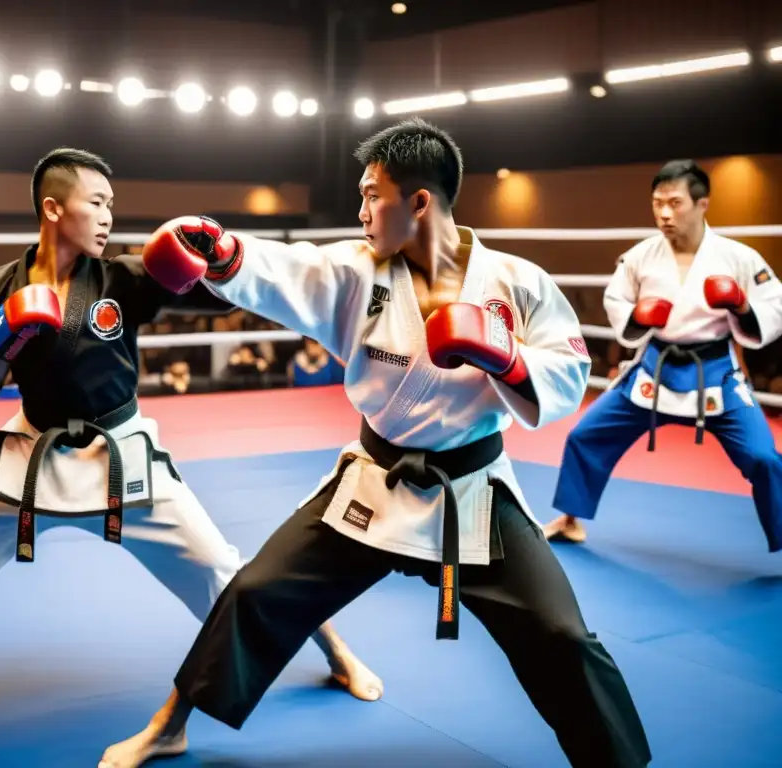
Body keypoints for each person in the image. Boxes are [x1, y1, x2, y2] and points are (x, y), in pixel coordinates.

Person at [99, 118, 652, 768]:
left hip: (469, 493)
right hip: (374, 481)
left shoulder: (516, 282)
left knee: (561, 634)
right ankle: (171, 724)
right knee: (254, 594)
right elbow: (285, 271)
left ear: (419, 201)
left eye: (371, 195)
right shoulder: (354, 270)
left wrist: (506, 358)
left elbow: (567, 372)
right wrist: (225, 255)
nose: (360, 212)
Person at [0, 148, 381, 714]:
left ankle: (336, 650)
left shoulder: (124, 276)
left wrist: (214, 258)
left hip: (119, 454)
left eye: (111, 205)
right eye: (96, 202)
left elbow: (214, 305)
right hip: (33, 451)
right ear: (53, 209)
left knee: (222, 569)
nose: (107, 217)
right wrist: (5, 336)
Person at [545, 160, 782, 547]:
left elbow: (774, 303)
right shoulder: (640, 256)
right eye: (657, 203)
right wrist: (638, 317)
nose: (664, 214)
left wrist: (741, 306)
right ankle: (570, 519)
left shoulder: (739, 257)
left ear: (702, 204)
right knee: (585, 435)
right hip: (654, 367)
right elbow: (616, 300)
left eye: (675, 203)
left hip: (715, 370)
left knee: (763, 457)